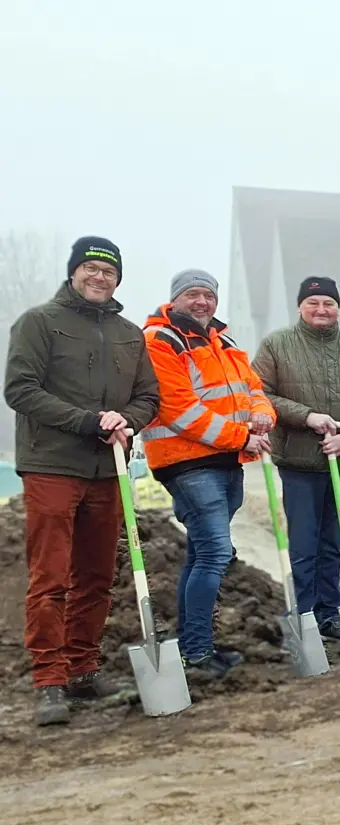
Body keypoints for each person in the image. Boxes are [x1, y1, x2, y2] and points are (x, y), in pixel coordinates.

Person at [4, 237, 160, 726]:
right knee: (50, 577)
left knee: (95, 575)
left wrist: (124, 421)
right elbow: (20, 389)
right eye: (90, 268)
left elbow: (149, 397)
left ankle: (83, 669)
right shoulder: (39, 322)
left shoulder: (129, 334)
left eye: (108, 271)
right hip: (53, 465)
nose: (99, 277)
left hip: (108, 469)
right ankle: (50, 680)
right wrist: (89, 421)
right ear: (74, 272)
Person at [141, 268, 277, 678]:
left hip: (225, 460)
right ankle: (197, 651)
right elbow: (179, 409)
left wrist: (262, 416)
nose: (202, 302)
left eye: (209, 296)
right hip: (187, 463)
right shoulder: (161, 340)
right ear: (176, 298)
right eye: (193, 295)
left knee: (202, 553)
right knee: (216, 552)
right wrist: (241, 437)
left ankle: (192, 647)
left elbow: (254, 389)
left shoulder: (224, 340)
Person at [253, 276, 340, 642]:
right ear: (300, 307)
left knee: (333, 541)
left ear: (338, 308)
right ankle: (303, 613)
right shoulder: (276, 346)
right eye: (313, 303)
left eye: (328, 303)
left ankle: (329, 613)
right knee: (303, 543)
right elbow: (258, 393)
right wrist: (307, 416)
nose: (321, 310)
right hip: (298, 463)